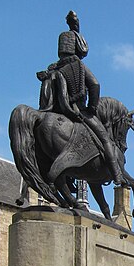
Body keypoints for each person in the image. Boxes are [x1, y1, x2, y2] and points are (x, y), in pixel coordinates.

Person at [37, 10, 124, 185]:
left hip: (55, 109)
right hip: (77, 110)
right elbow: (95, 85)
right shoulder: (78, 67)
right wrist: (92, 108)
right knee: (106, 140)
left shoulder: (53, 69)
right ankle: (118, 176)